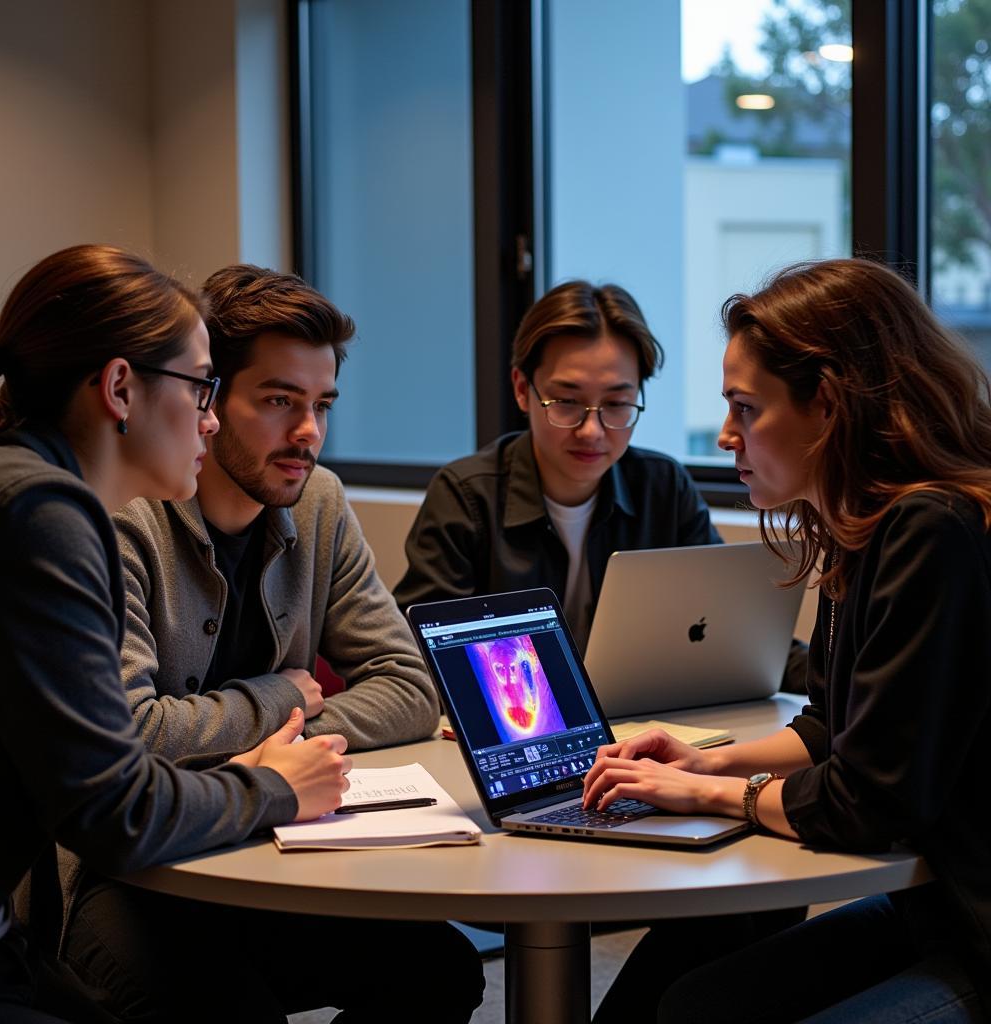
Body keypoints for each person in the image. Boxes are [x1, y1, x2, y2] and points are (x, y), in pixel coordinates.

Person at [59, 264, 483, 1023]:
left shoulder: (317, 501)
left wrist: (288, 752)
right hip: (120, 875)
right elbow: (130, 733)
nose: (308, 433)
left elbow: (412, 688)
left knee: (440, 972)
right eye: (280, 401)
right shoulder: (124, 519)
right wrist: (279, 696)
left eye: (322, 405)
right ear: (208, 399)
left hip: (263, 847)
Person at [583, 257, 991, 1022]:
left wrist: (706, 792)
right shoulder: (860, 530)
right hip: (939, 906)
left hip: (976, 927)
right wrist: (704, 757)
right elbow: (828, 729)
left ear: (829, 406)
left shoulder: (932, 530)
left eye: (746, 407)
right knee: (689, 1004)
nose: (729, 434)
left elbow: (871, 804)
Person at [0, 245, 352, 1022]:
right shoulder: (42, 516)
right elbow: (117, 813)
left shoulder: (8, 483)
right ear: (119, 389)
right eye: (202, 388)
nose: (210, 419)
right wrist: (277, 786)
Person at [392, 279, 806, 691]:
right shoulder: (466, 496)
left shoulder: (662, 487)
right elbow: (425, 658)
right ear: (522, 390)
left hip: (641, 727)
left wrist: (843, 686)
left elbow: (729, 628)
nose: (592, 431)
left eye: (616, 404)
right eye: (567, 402)